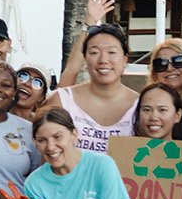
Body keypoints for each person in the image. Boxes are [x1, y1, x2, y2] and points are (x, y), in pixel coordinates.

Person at [23, 108, 129, 199]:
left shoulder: (102, 165)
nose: (50, 147)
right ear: (35, 143)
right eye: (42, 140)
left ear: (74, 135)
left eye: (57, 137)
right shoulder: (33, 183)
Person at [42, 22, 135, 153]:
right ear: (85, 59)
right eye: (94, 52)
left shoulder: (140, 106)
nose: (103, 59)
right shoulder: (63, 100)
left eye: (112, 52)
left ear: (125, 59)